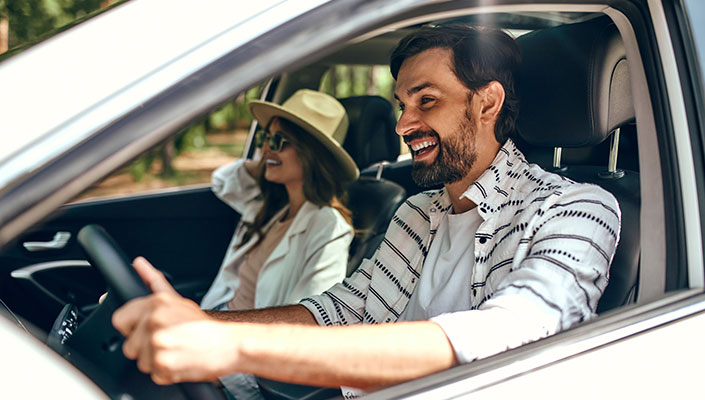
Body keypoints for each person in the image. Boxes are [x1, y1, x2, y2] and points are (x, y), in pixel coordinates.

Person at [112, 24, 621, 397]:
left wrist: (237, 349)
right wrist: (206, 326)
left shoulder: (578, 209)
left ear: (487, 104)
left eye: (426, 101)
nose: (404, 124)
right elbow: (339, 312)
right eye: (402, 104)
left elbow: (504, 338)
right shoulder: (419, 214)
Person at [199, 89, 358, 312]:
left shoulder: (329, 228)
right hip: (216, 312)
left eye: (278, 141)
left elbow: (313, 316)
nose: (264, 149)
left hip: (245, 336)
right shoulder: (269, 206)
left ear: (311, 153)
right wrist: (268, 161)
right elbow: (221, 182)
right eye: (264, 138)